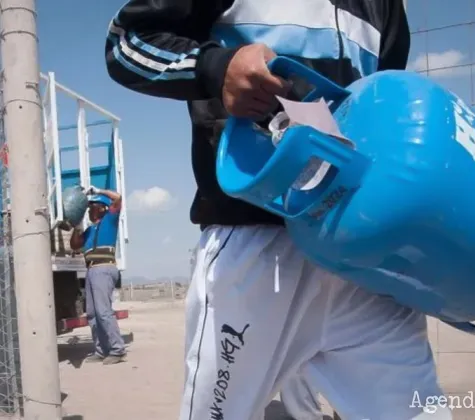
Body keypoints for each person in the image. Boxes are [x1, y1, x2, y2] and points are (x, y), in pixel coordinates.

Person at [105, 0, 451, 418]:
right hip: (258, 247)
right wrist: (216, 67)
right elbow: (127, 43)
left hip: (363, 255)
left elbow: (385, 99)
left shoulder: (384, 6)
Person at [70, 186, 127, 365]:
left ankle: (117, 349)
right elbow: (74, 245)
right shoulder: (89, 230)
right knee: (93, 314)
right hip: (92, 270)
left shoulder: (109, 220)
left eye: (92, 207)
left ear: (102, 209)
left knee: (103, 312)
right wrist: (76, 226)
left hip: (104, 268)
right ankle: (101, 350)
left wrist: (99, 191)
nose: (89, 211)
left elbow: (117, 198)